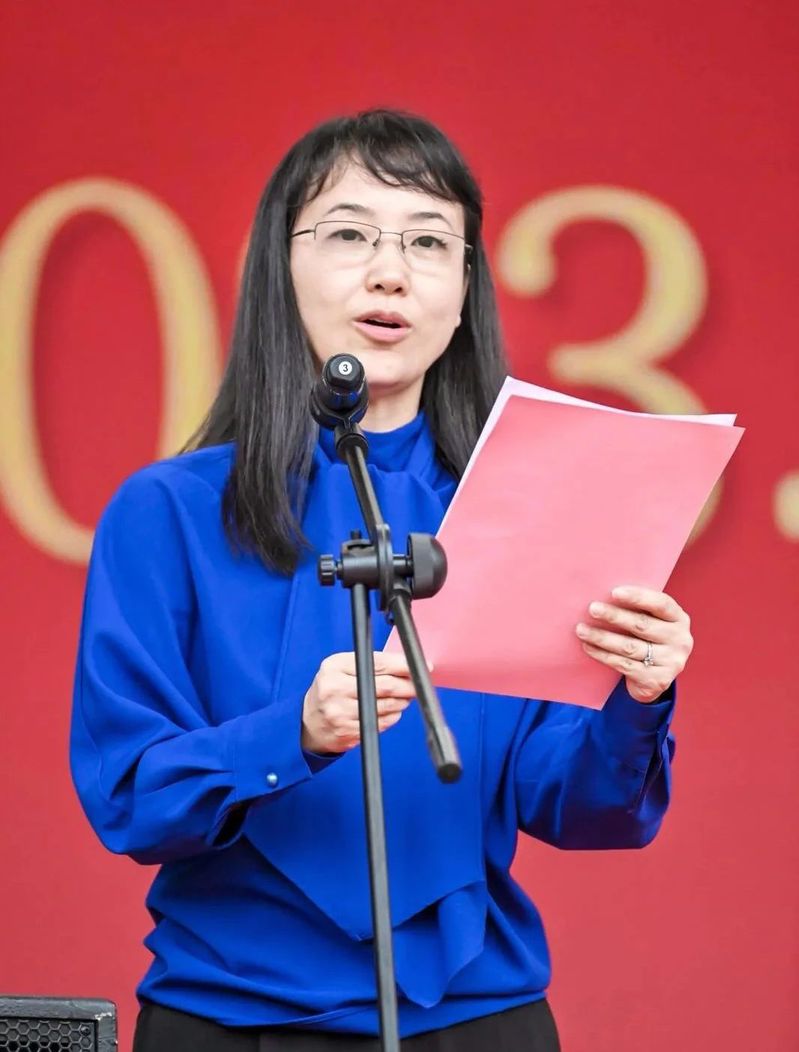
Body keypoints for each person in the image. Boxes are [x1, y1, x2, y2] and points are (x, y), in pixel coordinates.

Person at [70, 109, 693, 1052]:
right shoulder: (168, 513)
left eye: (429, 242)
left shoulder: (527, 507)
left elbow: (577, 804)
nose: (391, 272)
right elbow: (131, 798)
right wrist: (294, 733)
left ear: (464, 291)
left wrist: (637, 699)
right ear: (279, 267)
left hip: (476, 1018)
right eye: (350, 234)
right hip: (228, 1018)